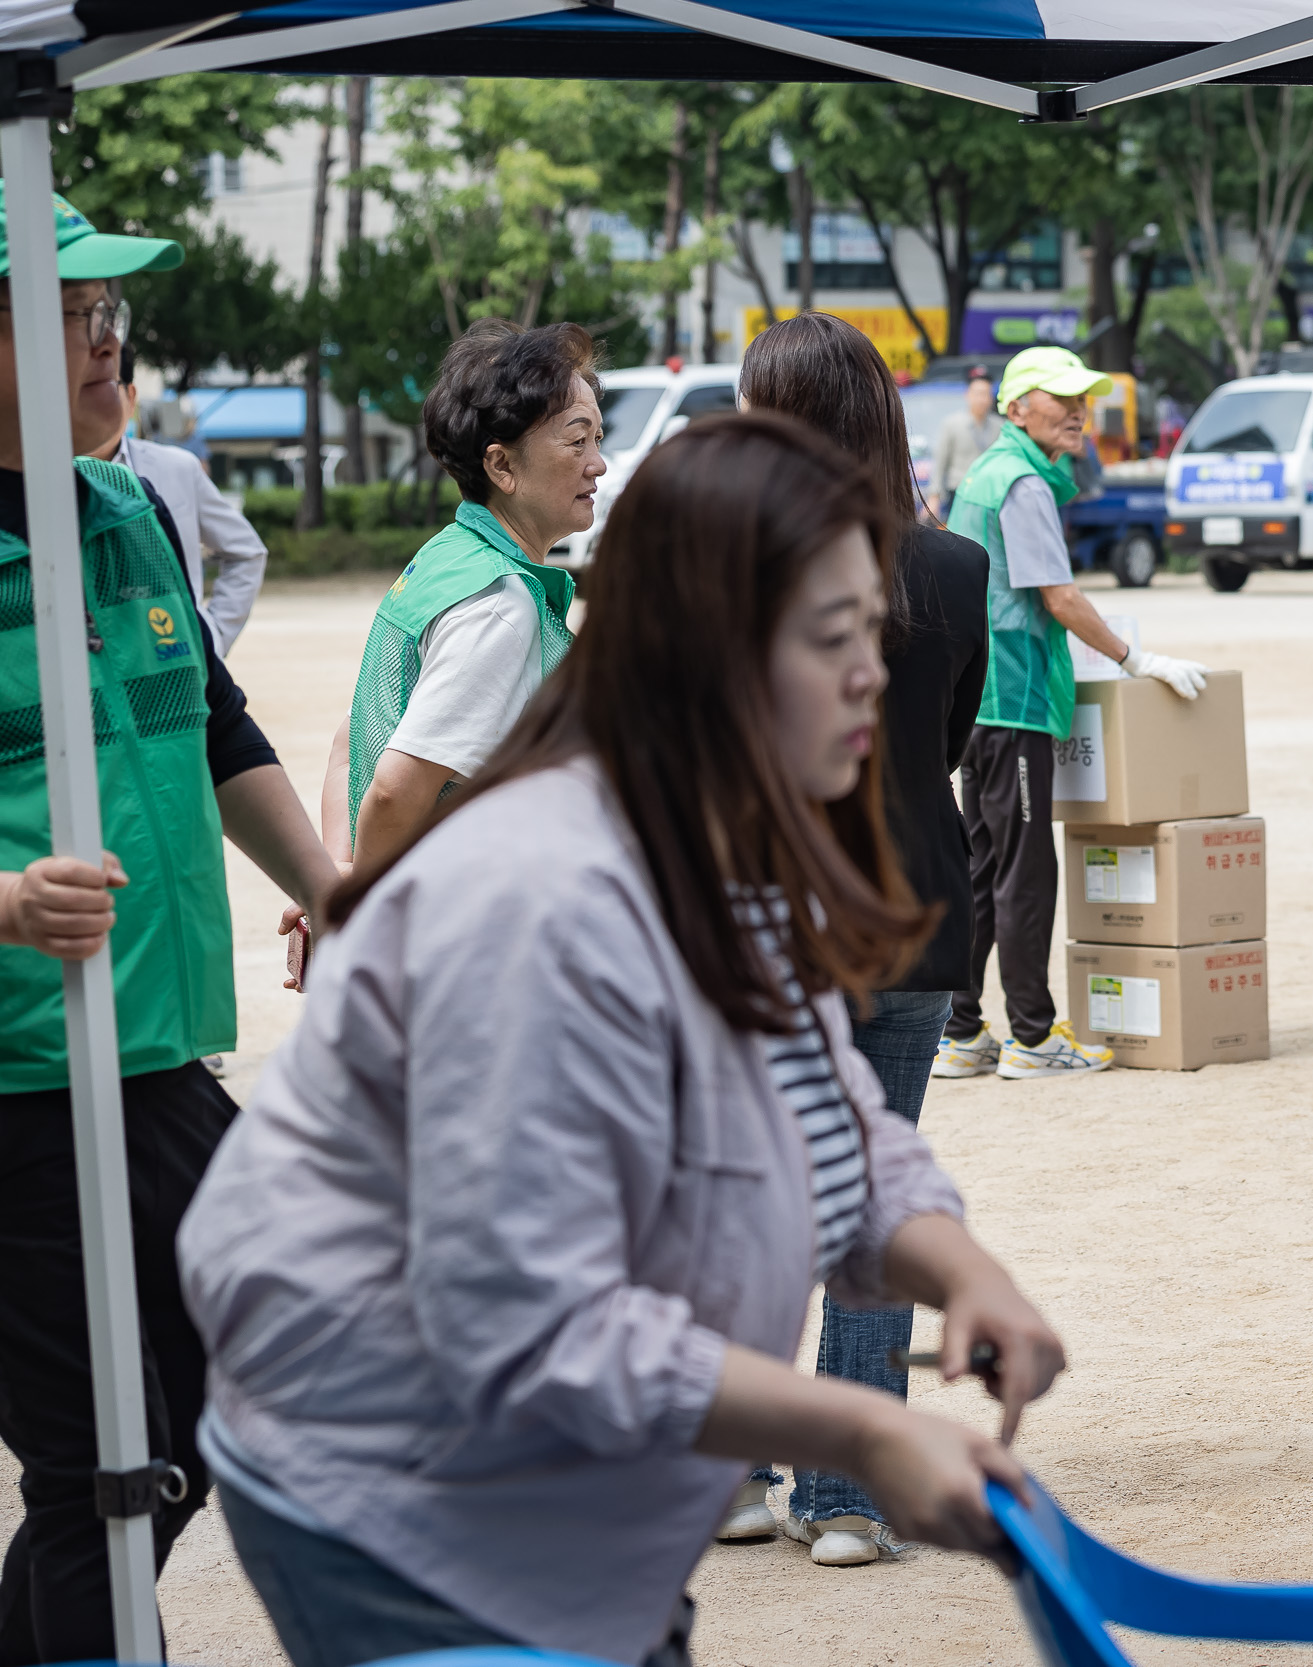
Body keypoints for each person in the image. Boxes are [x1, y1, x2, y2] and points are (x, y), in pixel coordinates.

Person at [178, 414, 1067, 1667]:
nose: (872, 669)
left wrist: (960, 1266)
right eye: (829, 636)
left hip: (576, 1486)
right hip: (394, 1492)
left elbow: (825, 1115)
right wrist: (857, 1432)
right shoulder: (533, 895)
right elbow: (528, 1321)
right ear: (702, 657)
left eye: (874, 626)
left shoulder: (735, 847)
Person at [0, 188, 336, 1664]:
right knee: (95, 1467)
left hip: (151, 1049)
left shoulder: (128, 507)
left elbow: (215, 720)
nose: (107, 347)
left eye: (106, 315)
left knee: (243, 1375)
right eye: (78, 316)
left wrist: (330, 883)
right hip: (18, 1076)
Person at [735, 311, 989, 1566]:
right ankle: (849, 1491)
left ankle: (733, 1467)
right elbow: (949, 740)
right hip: (913, 914)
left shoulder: (726, 569)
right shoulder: (950, 569)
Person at [934, 346, 1207, 1081]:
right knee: (1024, 871)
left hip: (979, 700)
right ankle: (1030, 1035)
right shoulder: (1021, 483)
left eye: (1083, 395)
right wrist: (1135, 659)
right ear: (1017, 408)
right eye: (1060, 398)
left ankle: (961, 1030)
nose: (1079, 409)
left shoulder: (990, 474)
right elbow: (1058, 596)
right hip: (1016, 699)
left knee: (983, 868)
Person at [321, 320, 601, 868]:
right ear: (501, 465)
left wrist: (337, 872)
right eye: (576, 441)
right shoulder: (501, 604)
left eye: (597, 437)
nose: (598, 462)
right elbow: (395, 790)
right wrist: (359, 905)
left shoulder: (445, 558)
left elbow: (349, 742)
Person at [89, 345, 267, 656]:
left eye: (101, 385)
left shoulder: (178, 469)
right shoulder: (38, 481)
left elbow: (246, 552)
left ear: (130, 398)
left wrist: (213, 637)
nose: (87, 401)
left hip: (174, 662)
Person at [930, 368, 999, 516]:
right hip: (959, 491)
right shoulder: (952, 423)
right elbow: (941, 461)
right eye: (977, 394)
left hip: (990, 493)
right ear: (968, 395)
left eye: (986, 394)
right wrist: (934, 496)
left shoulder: (999, 426)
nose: (982, 399)